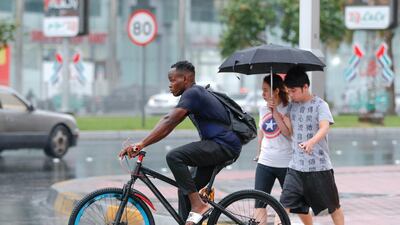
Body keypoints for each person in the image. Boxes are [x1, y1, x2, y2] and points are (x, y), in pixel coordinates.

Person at [118, 60, 242, 225]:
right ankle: (192, 212)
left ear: (185, 79)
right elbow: (169, 126)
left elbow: (169, 120)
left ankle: (198, 205)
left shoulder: (193, 93)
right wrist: (144, 143)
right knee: (185, 190)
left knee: (174, 156)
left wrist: (141, 144)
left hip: (223, 145)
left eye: (172, 80)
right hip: (222, 146)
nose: (170, 85)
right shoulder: (195, 94)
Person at [280, 66, 345, 225]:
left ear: (305, 87)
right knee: (283, 206)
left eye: (293, 91)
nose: (291, 95)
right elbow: (288, 132)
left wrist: (311, 142)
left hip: (319, 167)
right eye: (288, 91)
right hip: (296, 167)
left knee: (333, 207)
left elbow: (324, 127)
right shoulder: (291, 106)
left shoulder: (320, 105)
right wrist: (276, 113)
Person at [254, 74, 312, 225]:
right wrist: (259, 152)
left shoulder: (290, 108)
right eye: (262, 90)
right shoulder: (262, 108)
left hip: (286, 164)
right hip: (265, 162)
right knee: (259, 203)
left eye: (266, 90)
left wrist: (275, 113)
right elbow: (261, 132)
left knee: (293, 205)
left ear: (276, 91)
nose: (263, 94)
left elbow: (288, 132)